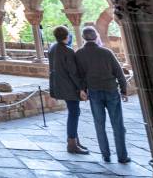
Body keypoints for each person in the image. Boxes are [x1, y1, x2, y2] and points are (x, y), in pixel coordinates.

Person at [76, 26, 131, 163]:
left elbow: (80, 76)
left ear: (83, 38)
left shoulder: (79, 54)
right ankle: (122, 157)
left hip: (94, 92)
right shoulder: (106, 52)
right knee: (118, 124)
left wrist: (82, 90)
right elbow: (119, 73)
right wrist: (123, 90)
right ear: (96, 37)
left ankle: (105, 155)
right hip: (111, 90)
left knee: (99, 125)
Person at [48, 25, 90, 155]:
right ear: (67, 36)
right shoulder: (68, 51)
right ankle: (72, 144)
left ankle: (75, 140)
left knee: (73, 112)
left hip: (58, 85)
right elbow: (73, 72)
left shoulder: (53, 48)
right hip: (70, 87)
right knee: (74, 113)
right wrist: (81, 88)